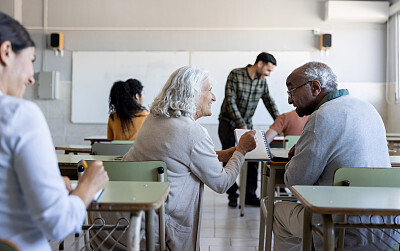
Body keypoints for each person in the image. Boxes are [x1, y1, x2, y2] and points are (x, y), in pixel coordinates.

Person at [94, 65, 254, 251]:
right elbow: (221, 184)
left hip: (123, 219)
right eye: (209, 90)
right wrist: (241, 151)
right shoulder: (194, 133)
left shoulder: (153, 120)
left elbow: (176, 156)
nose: (214, 97)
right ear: (193, 93)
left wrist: (223, 155)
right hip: (159, 226)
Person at [0, 12, 109, 250]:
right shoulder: (19, 115)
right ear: (6, 52)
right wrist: (88, 186)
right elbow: (58, 224)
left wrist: (43, 187)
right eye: (31, 60)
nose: (31, 78)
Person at [273, 61, 399, 250]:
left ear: (315, 87)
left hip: (339, 229)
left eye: (291, 92)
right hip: (388, 229)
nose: (290, 100)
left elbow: (295, 182)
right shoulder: (368, 108)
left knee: (278, 211)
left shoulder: (321, 116)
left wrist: (294, 158)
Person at [218, 52, 279, 207]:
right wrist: (240, 124)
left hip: (247, 124)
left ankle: (250, 195)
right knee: (229, 155)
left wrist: (280, 121)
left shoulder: (262, 82)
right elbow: (230, 100)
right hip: (228, 123)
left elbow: (269, 102)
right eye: (268, 70)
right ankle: (232, 194)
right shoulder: (236, 74)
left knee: (254, 159)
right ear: (260, 64)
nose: (268, 74)